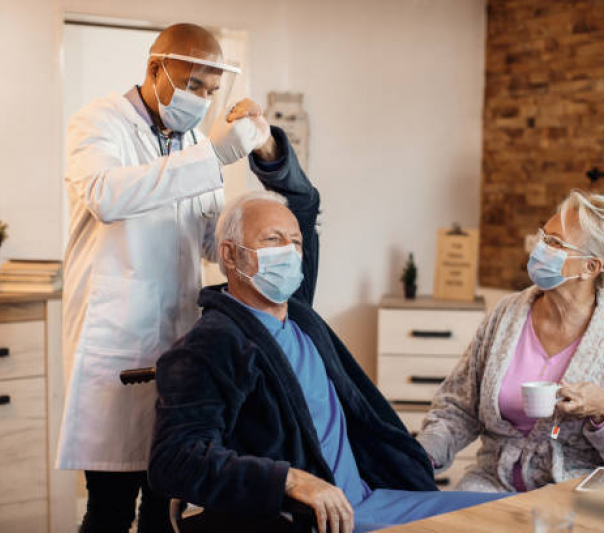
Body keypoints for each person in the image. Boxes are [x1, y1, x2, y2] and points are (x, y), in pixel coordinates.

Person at [149, 149, 507, 533]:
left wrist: (272, 150)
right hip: (318, 519)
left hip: (377, 497)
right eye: (272, 239)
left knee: (518, 514)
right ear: (230, 255)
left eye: (296, 243)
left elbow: (305, 202)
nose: (289, 252)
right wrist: (290, 480)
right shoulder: (211, 345)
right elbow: (173, 460)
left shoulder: (299, 314)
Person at [56, 22, 283, 532]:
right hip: (116, 344)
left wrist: (265, 240)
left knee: (167, 503)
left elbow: (206, 241)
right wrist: (215, 156)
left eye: (209, 90)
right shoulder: (99, 122)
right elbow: (105, 196)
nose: (201, 99)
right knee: (110, 506)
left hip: (179, 351)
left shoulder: (195, 142)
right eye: (193, 85)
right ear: (156, 69)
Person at [417, 190, 604, 493]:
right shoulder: (505, 316)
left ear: (590, 267)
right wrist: (422, 454)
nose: (540, 248)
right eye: (543, 236)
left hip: (574, 491)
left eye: (556, 243)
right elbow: (458, 407)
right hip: (492, 483)